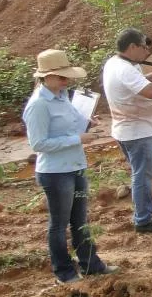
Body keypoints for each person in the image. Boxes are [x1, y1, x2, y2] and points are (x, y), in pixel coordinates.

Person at [23, 50, 119, 284]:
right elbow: (38, 143)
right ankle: (64, 271)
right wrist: (76, 139)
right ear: (46, 77)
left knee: (81, 220)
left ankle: (91, 264)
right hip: (55, 173)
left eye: (67, 77)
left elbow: (71, 122)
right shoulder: (38, 105)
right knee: (59, 225)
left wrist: (86, 123)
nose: (67, 81)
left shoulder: (63, 96)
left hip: (75, 166)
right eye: (62, 77)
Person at [102, 28, 152, 233]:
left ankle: (148, 207)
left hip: (129, 129)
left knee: (142, 174)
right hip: (137, 132)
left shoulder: (118, 63)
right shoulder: (125, 69)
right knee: (142, 176)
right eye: (144, 47)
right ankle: (143, 220)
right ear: (132, 47)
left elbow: (135, 84)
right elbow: (150, 92)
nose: (147, 52)